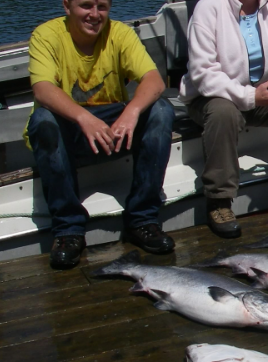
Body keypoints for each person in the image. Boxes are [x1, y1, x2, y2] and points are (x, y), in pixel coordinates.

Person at [25, 0, 176, 270]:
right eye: (86, 6)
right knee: (43, 120)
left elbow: (153, 80)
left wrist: (131, 112)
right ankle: (68, 230)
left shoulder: (119, 33)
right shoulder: (45, 35)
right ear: (67, 6)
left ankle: (142, 219)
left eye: (102, 7)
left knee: (161, 110)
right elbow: (43, 89)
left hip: (113, 129)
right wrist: (84, 118)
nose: (95, 15)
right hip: (70, 130)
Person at [179, 0, 268, 238]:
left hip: (262, 95)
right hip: (211, 95)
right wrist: (250, 96)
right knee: (223, 112)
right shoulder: (208, 7)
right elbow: (202, 72)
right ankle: (219, 201)